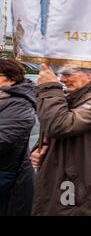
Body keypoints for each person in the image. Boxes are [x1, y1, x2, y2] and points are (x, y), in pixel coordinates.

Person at [30, 64, 91, 215]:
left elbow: (60, 125)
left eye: (68, 73)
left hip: (80, 185)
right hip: (67, 176)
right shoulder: (78, 94)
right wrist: (43, 145)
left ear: (90, 74)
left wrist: (49, 88)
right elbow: (52, 125)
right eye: (60, 73)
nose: (62, 78)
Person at [0, 59, 36, 216]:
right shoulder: (5, 98)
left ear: (11, 78)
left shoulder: (21, 104)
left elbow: (2, 140)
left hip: (8, 175)